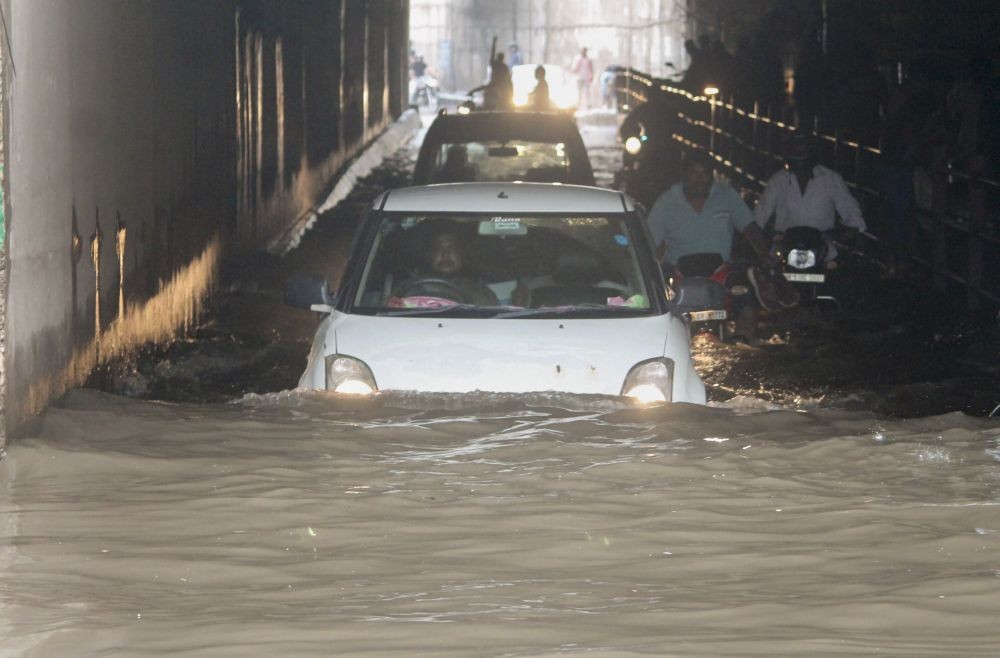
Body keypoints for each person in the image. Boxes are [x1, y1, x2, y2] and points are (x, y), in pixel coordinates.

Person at [647, 151, 783, 342]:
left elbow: (750, 228)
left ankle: (744, 348)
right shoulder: (666, 202)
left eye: (704, 174)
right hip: (679, 277)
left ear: (712, 175)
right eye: (694, 173)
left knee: (748, 309)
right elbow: (650, 244)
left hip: (722, 274)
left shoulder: (727, 196)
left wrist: (766, 255)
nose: (699, 179)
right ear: (683, 174)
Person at [753, 132, 866, 265]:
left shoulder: (831, 179)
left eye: (803, 149)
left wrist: (851, 230)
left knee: (836, 274)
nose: (799, 154)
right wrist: (758, 237)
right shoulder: (778, 180)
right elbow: (759, 215)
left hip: (823, 250)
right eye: (795, 150)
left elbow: (851, 211)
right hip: (784, 249)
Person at [398, 220, 498, 306]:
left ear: (462, 253)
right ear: (428, 255)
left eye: (452, 248)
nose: (445, 254)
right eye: (438, 249)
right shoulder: (407, 290)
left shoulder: (480, 292)